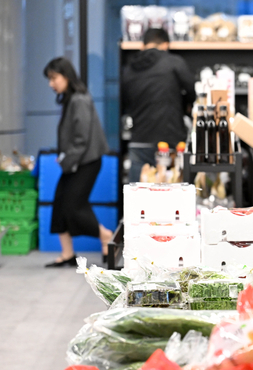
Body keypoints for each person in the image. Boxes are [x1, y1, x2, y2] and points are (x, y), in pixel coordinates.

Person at [43, 58, 113, 267]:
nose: (51, 84)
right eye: (49, 79)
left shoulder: (79, 100)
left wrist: (65, 159)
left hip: (86, 162)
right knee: (60, 204)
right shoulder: (71, 99)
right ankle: (67, 254)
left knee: (73, 207)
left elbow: (81, 139)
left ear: (66, 76)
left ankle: (105, 235)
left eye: (54, 78)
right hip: (77, 161)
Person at [121, 28, 196, 183]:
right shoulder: (174, 62)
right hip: (170, 139)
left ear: (143, 45)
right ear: (165, 44)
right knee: (172, 193)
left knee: (137, 193)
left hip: (139, 140)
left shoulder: (128, 69)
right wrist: (184, 108)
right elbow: (191, 91)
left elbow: (124, 102)